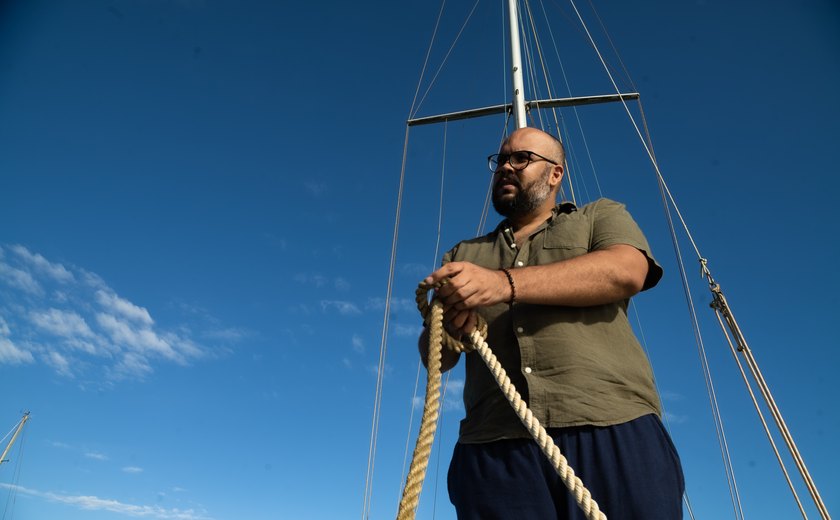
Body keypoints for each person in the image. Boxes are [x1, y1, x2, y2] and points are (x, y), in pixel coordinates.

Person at [419, 127, 684, 519]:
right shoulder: (463, 254)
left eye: (521, 158)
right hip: (494, 445)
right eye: (500, 160)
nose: (506, 167)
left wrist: (501, 283)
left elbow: (627, 271)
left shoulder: (601, 216)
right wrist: (452, 328)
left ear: (555, 173)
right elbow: (436, 360)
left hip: (609, 424)